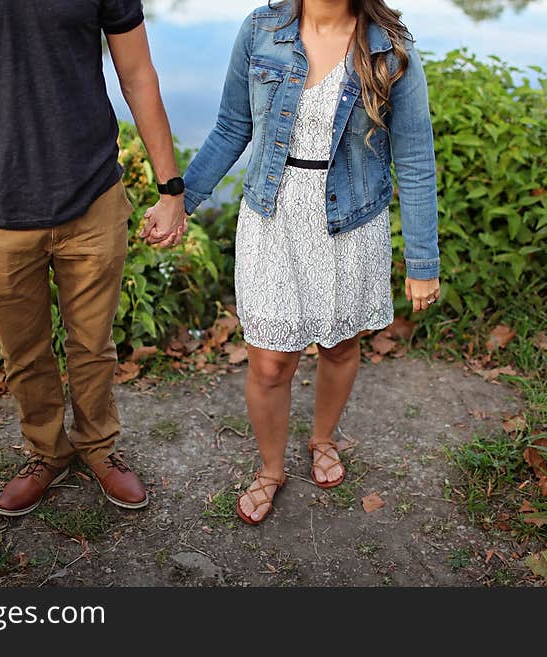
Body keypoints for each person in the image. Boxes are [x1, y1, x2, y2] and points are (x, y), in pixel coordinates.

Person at [0, 0, 187, 516]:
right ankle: (47, 451)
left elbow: (136, 73)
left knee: (93, 345)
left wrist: (171, 187)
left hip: (91, 195)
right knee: (24, 352)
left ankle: (98, 447)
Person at [181, 0, 441, 525]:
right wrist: (180, 198)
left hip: (350, 220)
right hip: (272, 214)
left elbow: (414, 157)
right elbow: (233, 126)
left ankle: (322, 439)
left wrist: (422, 260)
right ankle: (271, 469)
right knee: (271, 362)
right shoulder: (261, 30)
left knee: (340, 344)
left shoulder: (389, 46)